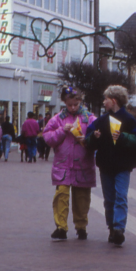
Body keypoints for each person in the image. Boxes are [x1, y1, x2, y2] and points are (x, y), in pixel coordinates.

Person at [85, 85, 136, 246]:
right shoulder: (102, 120)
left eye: (105, 99)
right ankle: (112, 227)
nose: (104, 102)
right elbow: (88, 139)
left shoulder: (129, 120)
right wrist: (94, 136)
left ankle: (119, 228)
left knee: (120, 196)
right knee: (109, 199)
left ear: (113, 101)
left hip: (122, 166)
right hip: (105, 165)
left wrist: (123, 137)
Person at [42, 88, 97, 240]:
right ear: (65, 103)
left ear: (80, 102)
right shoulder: (58, 118)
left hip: (83, 165)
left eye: (76, 104)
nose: (73, 107)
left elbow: (97, 137)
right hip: (63, 165)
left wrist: (87, 139)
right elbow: (47, 137)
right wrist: (61, 131)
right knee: (61, 196)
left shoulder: (90, 118)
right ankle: (61, 227)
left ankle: (81, 227)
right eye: (70, 104)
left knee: (82, 198)